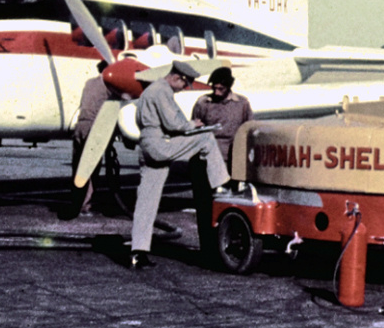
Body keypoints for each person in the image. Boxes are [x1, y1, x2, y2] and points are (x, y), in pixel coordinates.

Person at [129, 59, 229, 269]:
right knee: (206, 139)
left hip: (147, 144)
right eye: (185, 84)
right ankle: (222, 184)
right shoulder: (162, 90)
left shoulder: (150, 90)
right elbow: (173, 123)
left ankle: (138, 253)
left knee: (146, 203)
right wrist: (193, 124)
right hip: (159, 143)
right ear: (177, 77)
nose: (184, 89)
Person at [66, 61, 111, 218]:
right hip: (94, 128)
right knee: (91, 170)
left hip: (80, 126)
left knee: (77, 167)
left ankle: (75, 201)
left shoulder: (89, 83)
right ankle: (85, 206)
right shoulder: (109, 85)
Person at [191, 66, 254, 171]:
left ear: (229, 87)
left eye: (221, 89)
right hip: (211, 154)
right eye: (214, 88)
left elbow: (250, 127)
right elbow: (194, 128)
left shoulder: (242, 103)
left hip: (236, 154)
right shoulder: (203, 103)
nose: (216, 92)